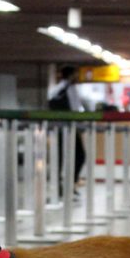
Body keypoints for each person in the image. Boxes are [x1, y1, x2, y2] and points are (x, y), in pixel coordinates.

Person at [48, 65, 85, 196]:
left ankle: (58, 186)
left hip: (57, 128)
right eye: (75, 74)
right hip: (70, 129)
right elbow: (76, 109)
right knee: (79, 156)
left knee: (60, 158)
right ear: (70, 75)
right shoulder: (70, 88)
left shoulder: (55, 89)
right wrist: (82, 125)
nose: (77, 77)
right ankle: (70, 185)